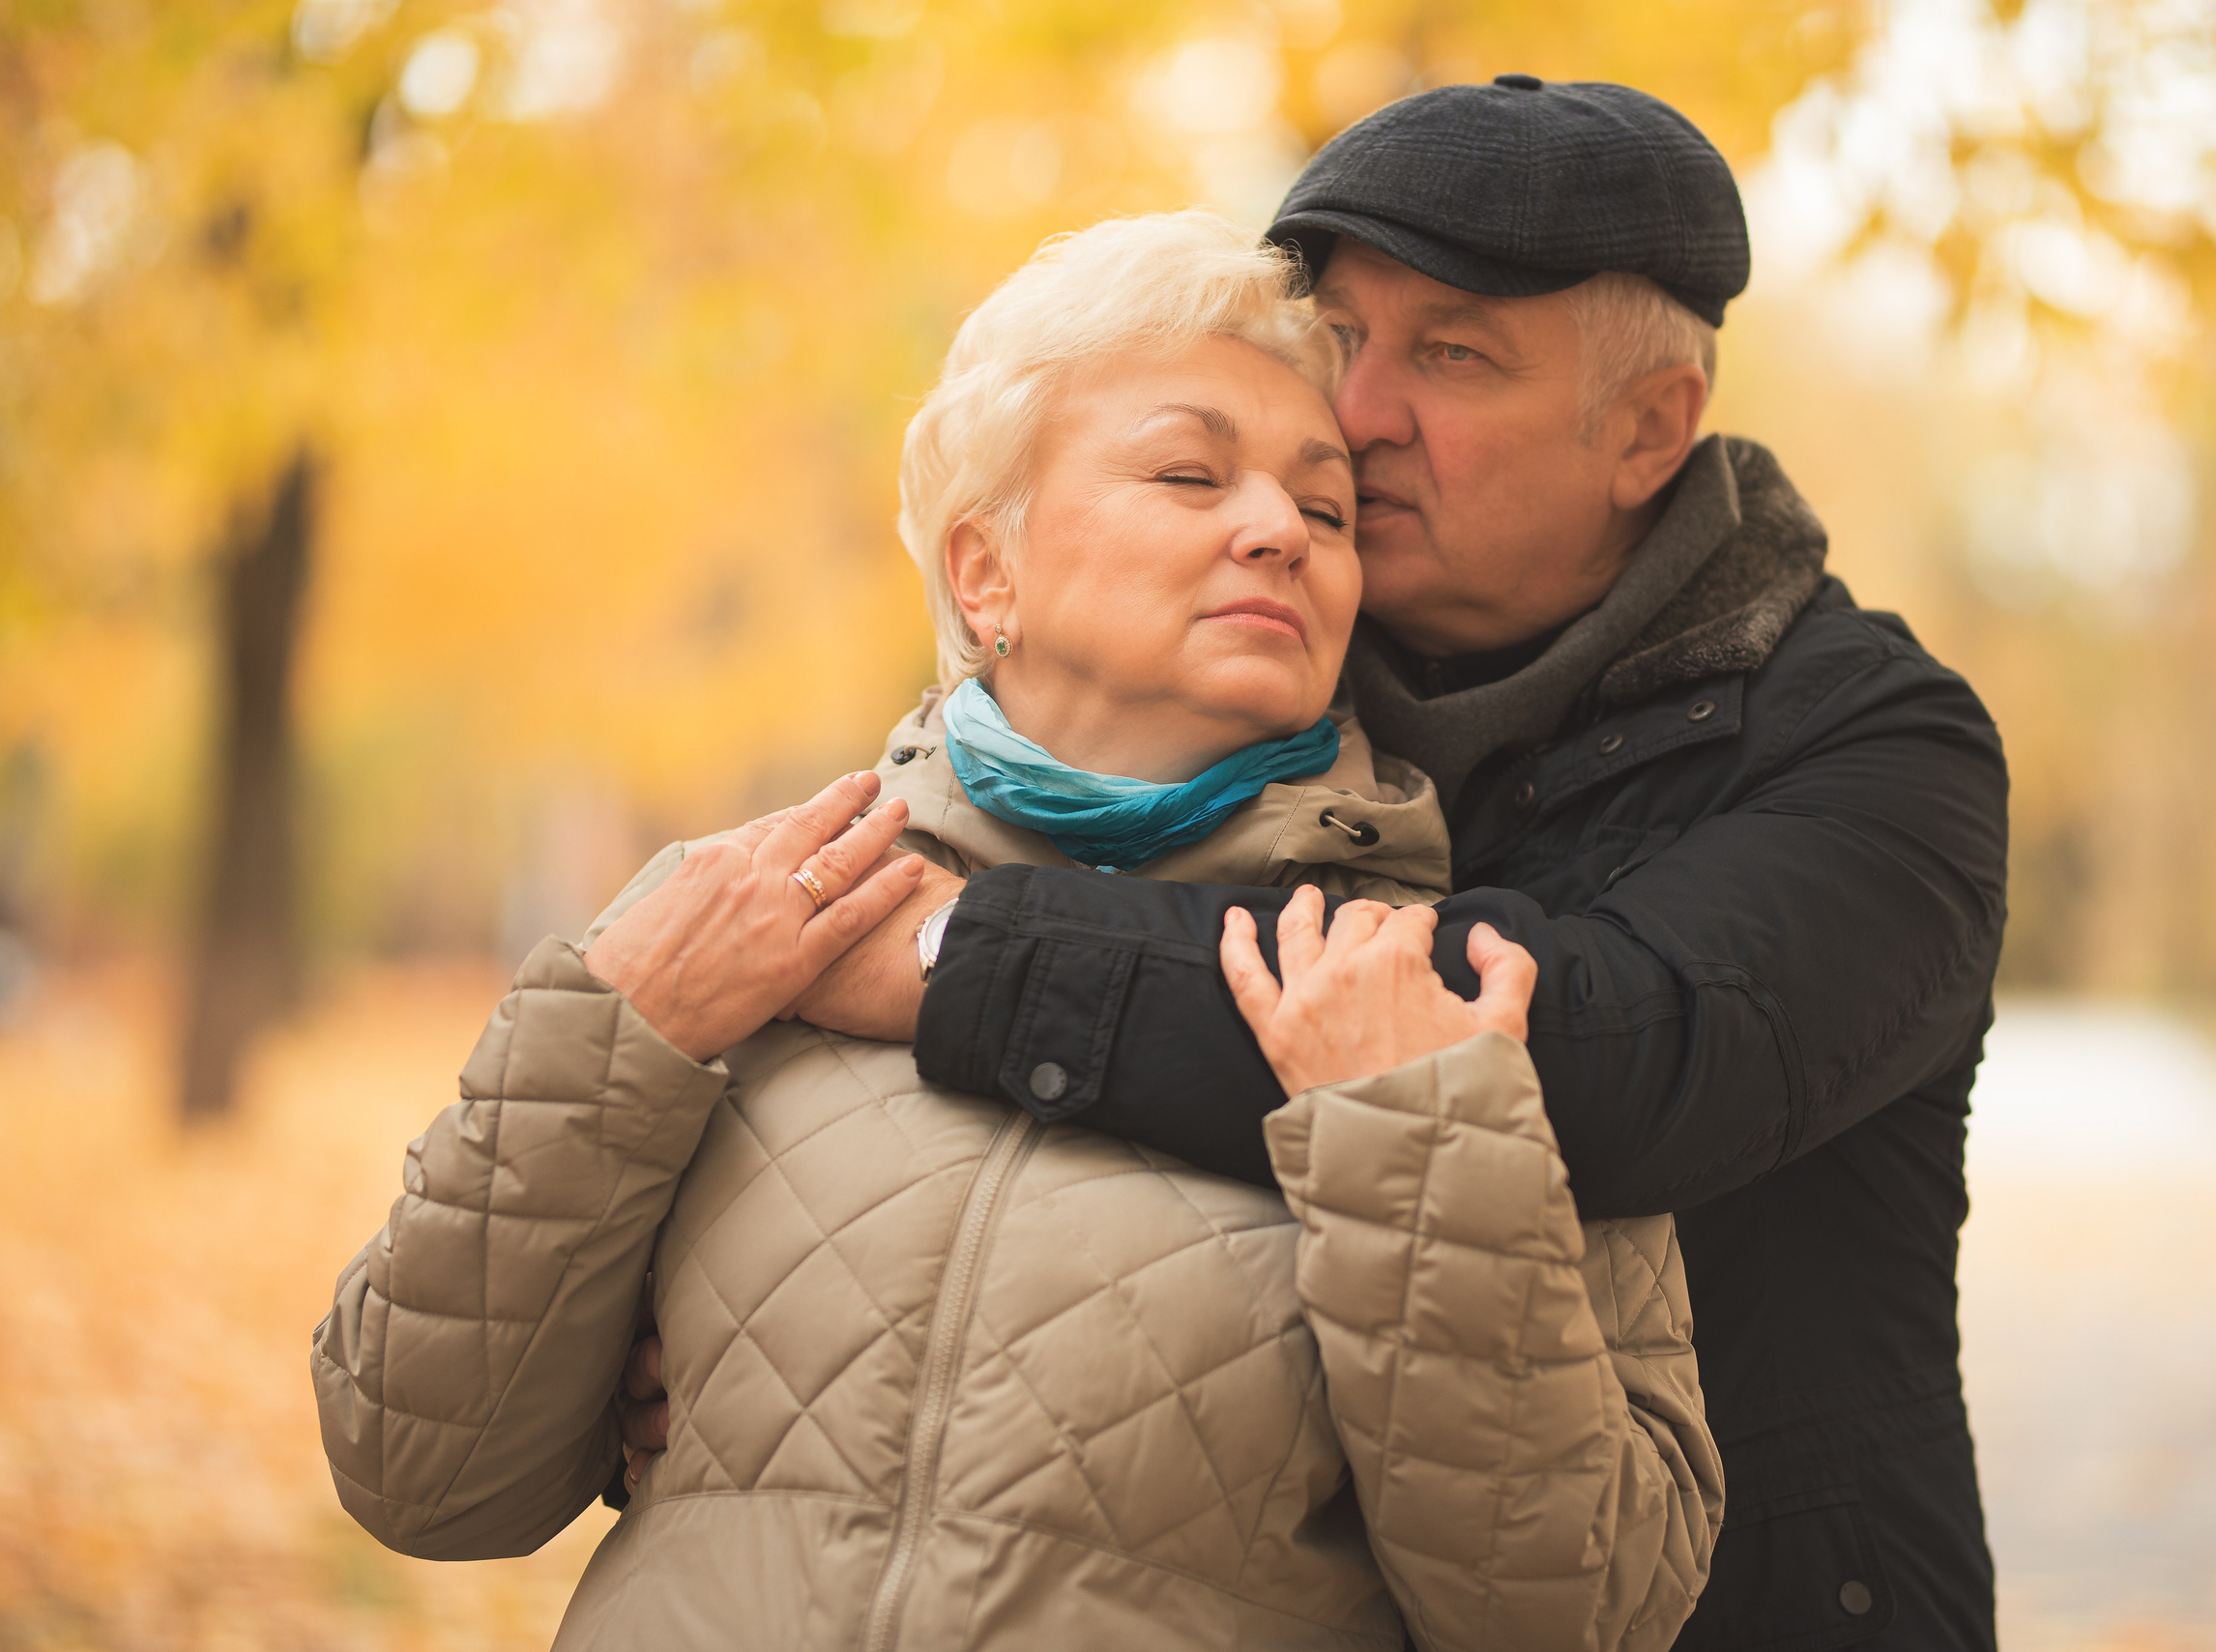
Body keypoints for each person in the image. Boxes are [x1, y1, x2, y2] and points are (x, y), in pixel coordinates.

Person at [719, 78, 2010, 1650]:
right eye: (1338, 337)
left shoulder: (1875, 747)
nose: (1360, 409)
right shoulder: (1249, 670)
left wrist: (956, 959)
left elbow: (1599, 1055)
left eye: (1453, 353)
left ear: (1649, 429)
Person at [314, 213, 1723, 1651]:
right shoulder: (741, 916)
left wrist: (1422, 1143)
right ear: (986, 573)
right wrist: (615, 1037)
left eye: (1327, 510)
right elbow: (417, 1472)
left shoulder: (1439, 993)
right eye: (1189, 471)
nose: (1275, 531)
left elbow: (1588, 1609)